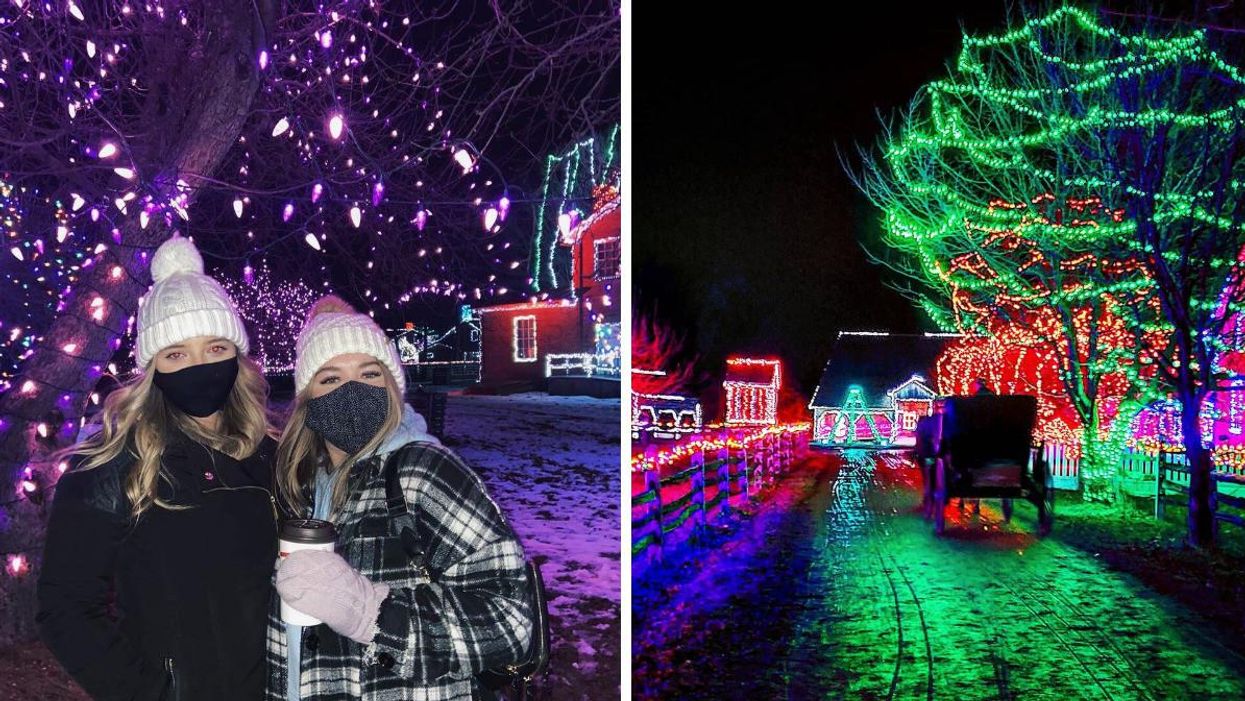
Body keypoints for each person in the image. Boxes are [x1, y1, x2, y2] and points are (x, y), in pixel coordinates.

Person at [37, 236, 279, 700]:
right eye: (176, 354)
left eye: (214, 348)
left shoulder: (267, 454)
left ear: (237, 357)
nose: (199, 365)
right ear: (153, 367)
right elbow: (65, 608)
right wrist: (149, 693)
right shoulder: (111, 464)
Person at [268, 296, 532, 700]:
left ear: (392, 388)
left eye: (369, 374)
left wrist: (370, 613)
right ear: (306, 400)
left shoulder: (423, 471)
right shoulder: (295, 487)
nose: (352, 390)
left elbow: (511, 622)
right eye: (330, 379)